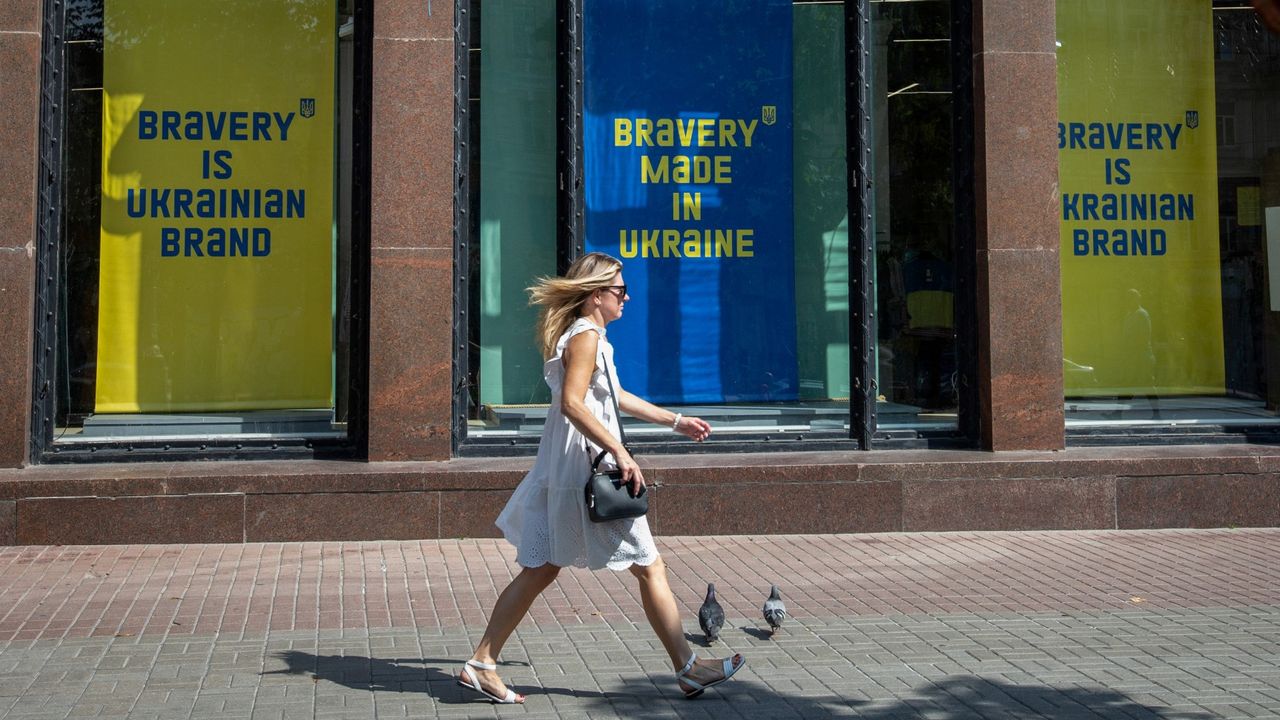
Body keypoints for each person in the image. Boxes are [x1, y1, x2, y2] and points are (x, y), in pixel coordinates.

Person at [457, 252, 747, 704]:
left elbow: (616, 396)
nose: (626, 297)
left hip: (572, 464)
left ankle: (481, 662)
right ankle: (689, 669)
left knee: (543, 568)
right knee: (648, 565)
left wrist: (676, 421)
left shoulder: (590, 337)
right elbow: (573, 403)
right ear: (596, 296)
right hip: (589, 467)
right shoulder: (586, 336)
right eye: (619, 291)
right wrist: (619, 450)